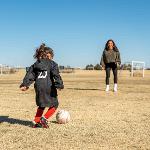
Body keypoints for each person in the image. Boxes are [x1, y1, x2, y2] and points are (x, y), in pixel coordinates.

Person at [20, 44, 64, 128]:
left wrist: (25, 84)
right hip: (49, 87)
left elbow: (30, 75)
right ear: (49, 56)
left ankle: (36, 121)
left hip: (39, 87)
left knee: (41, 104)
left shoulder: (35, 65)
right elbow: (56, 75)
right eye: (51, 56)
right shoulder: (52, 64)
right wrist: (59, 85)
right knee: (55, 104)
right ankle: (44, 118)